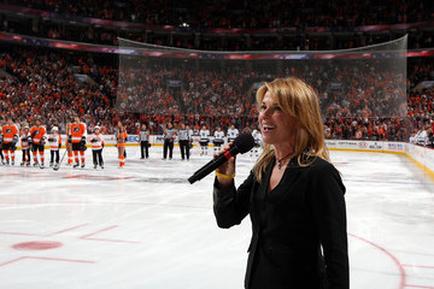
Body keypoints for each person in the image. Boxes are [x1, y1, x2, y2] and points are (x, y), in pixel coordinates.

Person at [213, 77, 349, 289]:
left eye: (276, 109)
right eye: (263, 107)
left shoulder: (320, 175)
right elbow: (227, 217)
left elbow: (336, 256)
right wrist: (224, 180)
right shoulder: (264, 167)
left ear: (300, 117)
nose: (263, 115)